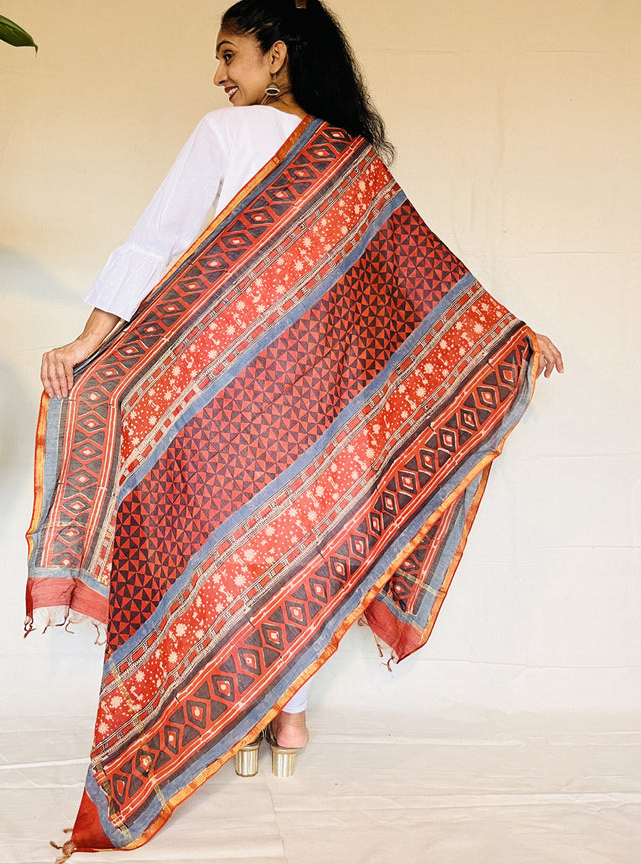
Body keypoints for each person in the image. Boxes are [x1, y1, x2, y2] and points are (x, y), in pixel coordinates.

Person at [28, 0, 563, 858]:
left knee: (243, 536)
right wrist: (503, 338)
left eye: (230, 55)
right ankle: (287, 717)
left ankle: (251, 719)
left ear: (278, 56)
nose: (218, 75)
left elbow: (161, 238)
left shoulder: (254, 141)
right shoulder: (348, 160)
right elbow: (424, 269)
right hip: (299, 395)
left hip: (234, 383)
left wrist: (509, 340)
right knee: (291, 532)